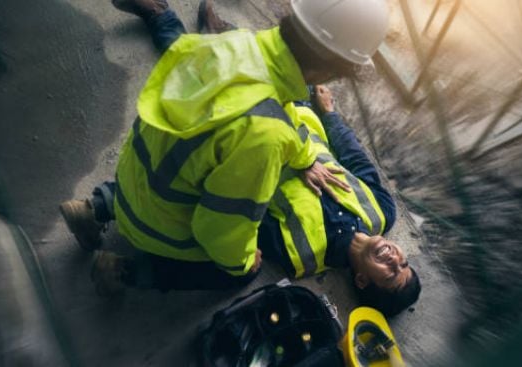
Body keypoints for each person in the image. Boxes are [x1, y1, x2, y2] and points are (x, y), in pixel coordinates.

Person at [60, 0, 393, 296]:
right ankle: (120, 271)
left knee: (194, 158)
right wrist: (243, 261)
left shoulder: (238, 44)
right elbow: (218, 229)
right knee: (237, 273)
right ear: (333, 68)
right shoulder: (264, 136)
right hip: (153, 223)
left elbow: (280, 104)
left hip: (135, 177)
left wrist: (305, 158)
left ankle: (94, 207)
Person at [259, 85, 420, 316]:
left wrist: (296, 160)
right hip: (301, 109)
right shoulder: (384, 212)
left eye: (391, 273)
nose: (395, 260)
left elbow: (245, 197)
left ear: (362, 280)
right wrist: (328, 114)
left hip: (257, 126)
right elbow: (354, 156)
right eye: (404, 264)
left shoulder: (298, 258)